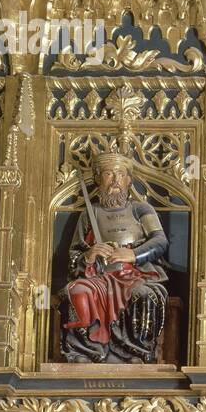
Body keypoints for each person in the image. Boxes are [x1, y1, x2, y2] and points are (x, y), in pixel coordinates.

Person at [61, 150, 169, 363]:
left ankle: (136, 350)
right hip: (99, 276)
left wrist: (132, 254)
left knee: (143, 295)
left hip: (135, 275)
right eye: (109, 174)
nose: (115, 180)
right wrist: (89, 256)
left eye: (120, 174)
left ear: (129, 180)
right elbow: (74, 254)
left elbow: (160, 241)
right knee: (77, 291)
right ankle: (88, 351)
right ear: (98, 179)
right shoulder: (89, 214)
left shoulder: (141, 209)